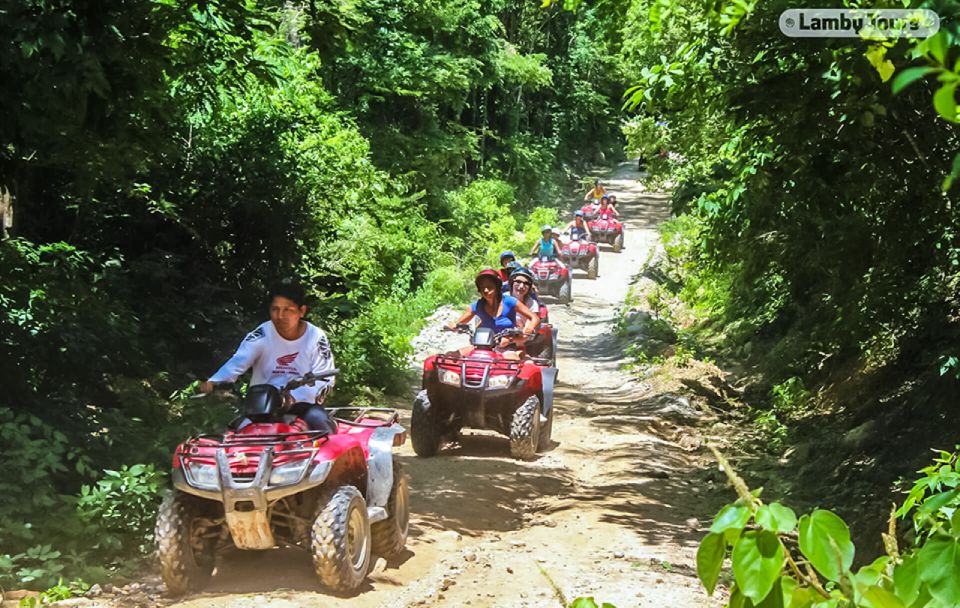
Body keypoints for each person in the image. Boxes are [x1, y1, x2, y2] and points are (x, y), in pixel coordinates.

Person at [199, 280, 338, 434]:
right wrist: (214, 383)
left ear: (302, 311)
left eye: (288, 310)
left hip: (303, 407)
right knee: (233, 434)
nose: (280, 316)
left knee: (320, 423)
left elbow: (326, 380)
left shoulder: (316, 336)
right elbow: (237, 363)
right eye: (275, 309)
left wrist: (291, 399)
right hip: (261, 407)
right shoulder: (261, 335)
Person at [448, 269, 539, 337]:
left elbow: (534, 317)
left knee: (513, 359)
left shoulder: (510, 301)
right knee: (451, 356)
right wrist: (453, 326)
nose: (486, 290)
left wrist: (530, 327)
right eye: (482, 287)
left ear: (497, 287)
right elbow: (459, 323)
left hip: (508, 345)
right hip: (483, 345)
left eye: (489, 287)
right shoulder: (476, 306)